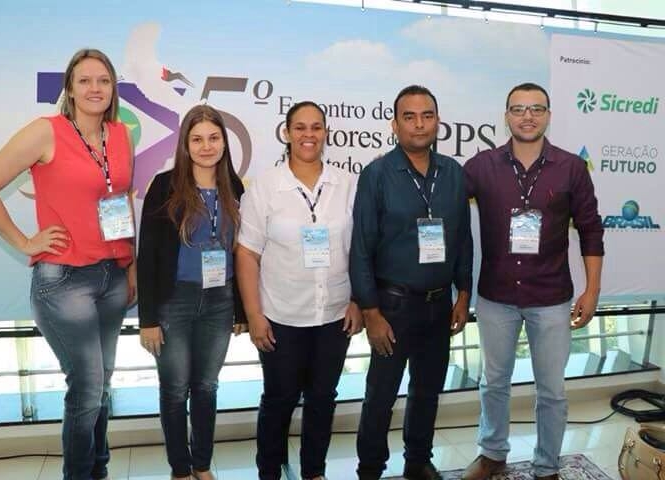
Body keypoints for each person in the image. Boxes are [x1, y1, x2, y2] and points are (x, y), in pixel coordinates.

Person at [0, 48, 136, 480]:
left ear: (113, 88)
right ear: (70, 89)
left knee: (101, 384)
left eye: (103, 80)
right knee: (88, 387)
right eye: (85, 80)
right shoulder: (46, 131)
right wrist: (25, 241)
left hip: (113, 276)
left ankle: (98, 471)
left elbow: (119, 201)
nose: (95, 88)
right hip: (64, 281)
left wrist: (130, 263)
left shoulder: (120, 134)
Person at [462, 82, 604, 480]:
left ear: (548, 115)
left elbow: (591, 230)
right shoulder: (480, 166)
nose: (528, 116)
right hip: (496, 297)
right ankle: (492, 453)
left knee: (552, 390)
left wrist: (592, 290)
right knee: (494, 382)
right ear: (506, 116)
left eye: (536, 109)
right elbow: (442, 203)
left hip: (552, 298)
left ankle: (547, 465)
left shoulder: (571, 168)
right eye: (519, 109)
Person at [350, 85, 473, 480]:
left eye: (427, 116)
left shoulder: (453, 173)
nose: (419, 124)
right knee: (380, 396)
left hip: (439, 305)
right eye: (409, 116)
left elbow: (463, 238)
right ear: (395, 124)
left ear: (438, 122)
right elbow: (361, 248)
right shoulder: (377, 175)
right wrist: (371, 311)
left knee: (427, 390)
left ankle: (417, 461)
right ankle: (370, 469)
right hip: (392, 307)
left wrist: (463, 293)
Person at [236, 101, 362, 480]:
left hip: (334, 315)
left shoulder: (347, 184)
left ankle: (313, 472)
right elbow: (247, 253)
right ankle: (269, 472)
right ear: (287, 133)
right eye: (300, 127)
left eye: (316, 127)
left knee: (323, 399)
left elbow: (361, 248)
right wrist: (254, 315)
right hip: (281, 316)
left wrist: (358, 300)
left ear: (326, 133)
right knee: (279, 400)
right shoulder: (265, 186)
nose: (309, 135)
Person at [137, 104, 247, 480]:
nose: (206, 146)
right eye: (197, 139)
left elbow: (241, 253)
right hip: (174, 302)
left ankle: (202, 464)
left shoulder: (236, 187)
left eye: (213, 138)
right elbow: (148, 255)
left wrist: (242, 311)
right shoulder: (164, 186)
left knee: (206, 386)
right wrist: (148, 319)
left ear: (224, 143)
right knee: (174, 389)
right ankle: (180, 469)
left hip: (220, 301)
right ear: (185, 144)